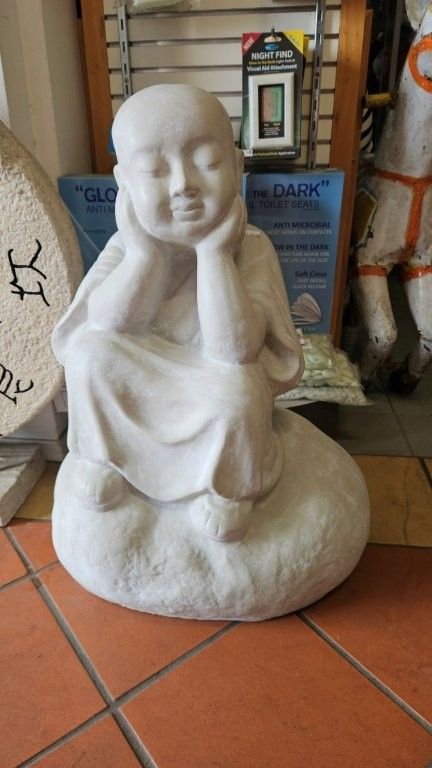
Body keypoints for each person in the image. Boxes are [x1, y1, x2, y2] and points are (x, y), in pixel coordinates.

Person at [52, 84, 303, 542]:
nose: (183, 185)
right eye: (153, 170)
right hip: (145, 378)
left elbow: (235, 349)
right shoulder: (127, 246)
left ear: (237, 166)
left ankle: (229, 489)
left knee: (240, 390)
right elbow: (106, 322)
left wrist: (213, 254)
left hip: (212, 388)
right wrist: (144, 256)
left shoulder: (251, 248)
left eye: (207, 162)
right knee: (89, 354)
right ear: (124, 183)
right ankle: (107, 459)